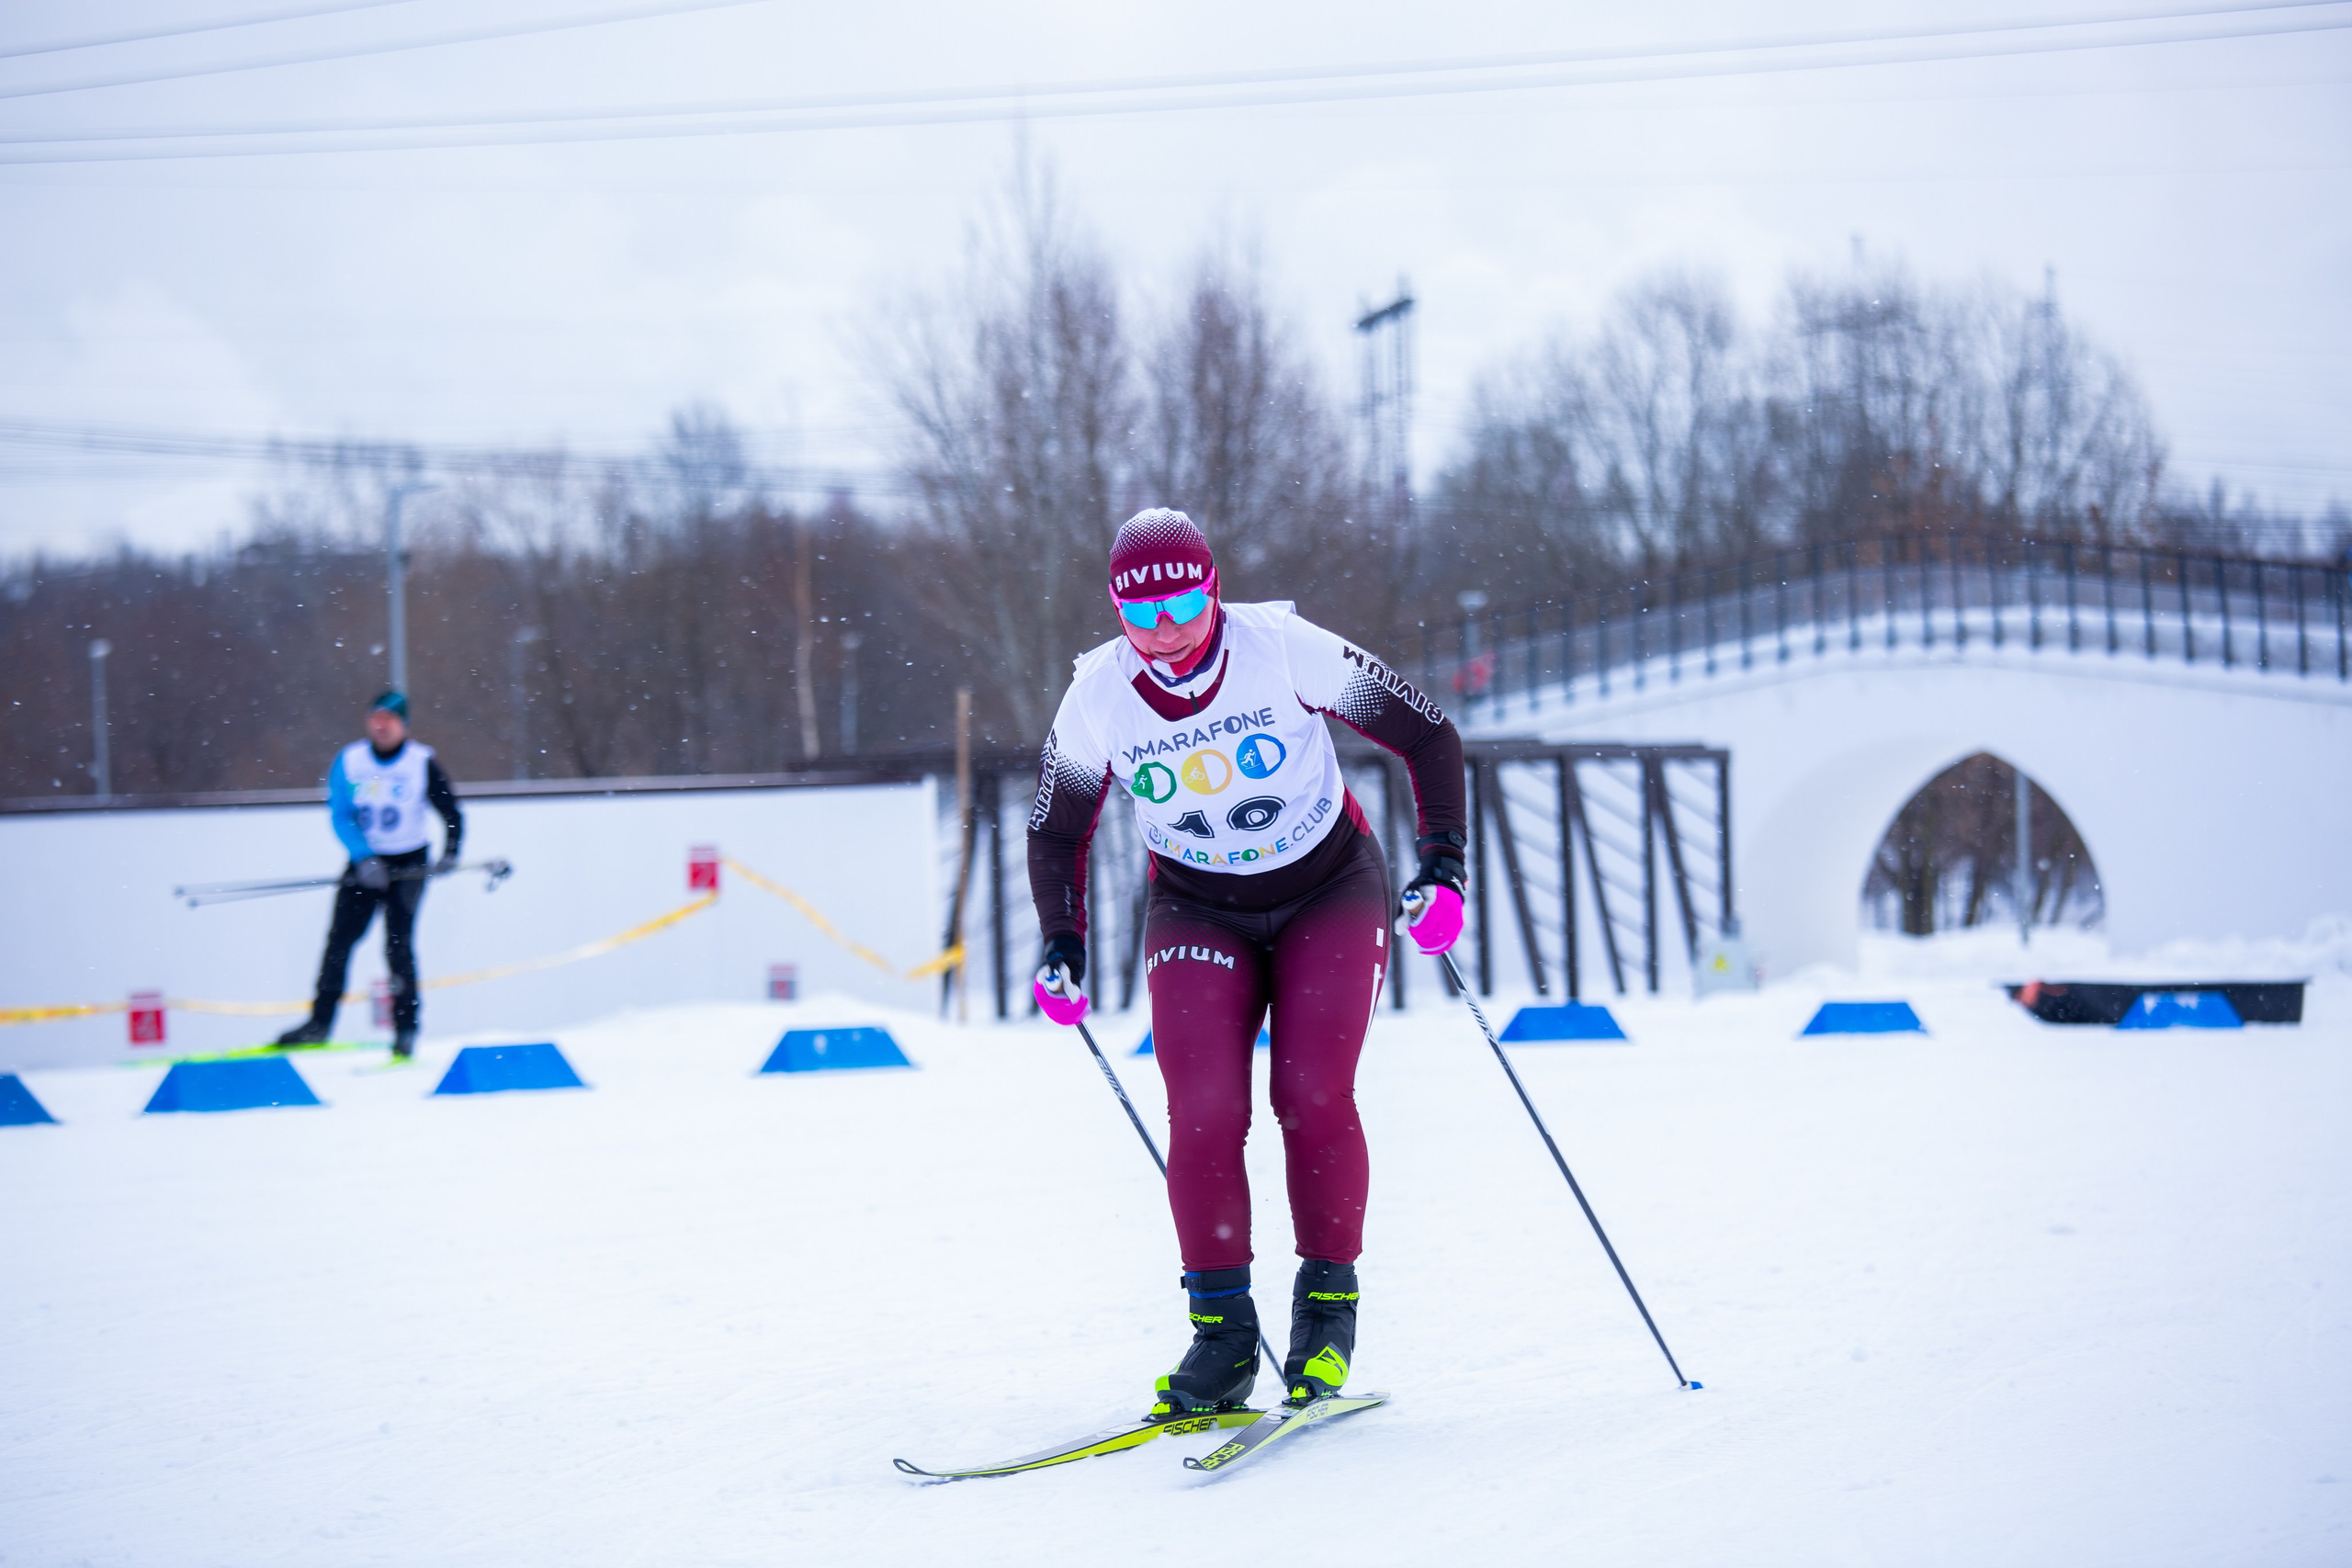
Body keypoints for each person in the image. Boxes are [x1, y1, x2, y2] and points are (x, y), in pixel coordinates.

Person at [1026, 508, 1467, 1415]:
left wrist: (1443, 867)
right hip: (1197, 907)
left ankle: (1325, 1319)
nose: (1165, 633)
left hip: (1328, 888)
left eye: (1182, 606)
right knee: (1202, 1109)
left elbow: (1428, 735)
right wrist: (1061, 943)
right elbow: (1054, 826)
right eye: (1139, 615)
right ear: (1116, 612)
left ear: (1212, 591)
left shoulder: (1281, 649)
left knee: (1310, 1094)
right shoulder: (1099, 697)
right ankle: (1222, 1340)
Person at [275, 691, 464, 1058]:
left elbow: (452, 813)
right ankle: (319, 1023)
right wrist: (363, 857)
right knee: (339, 942)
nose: (381, 725)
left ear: (403, 724)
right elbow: (340, 814)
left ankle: (406, 1029)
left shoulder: (421, 762)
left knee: (398, 946)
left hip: (409, 863)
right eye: (375, 718)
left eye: (389, 719)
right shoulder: (350, 760)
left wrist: (451, 852)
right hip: (366, 862)